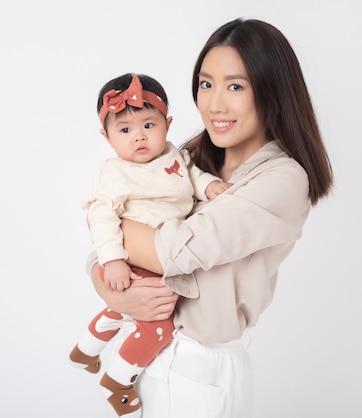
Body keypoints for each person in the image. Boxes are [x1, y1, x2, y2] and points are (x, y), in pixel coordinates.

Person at [87, 18, 333, 418]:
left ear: (273, 91)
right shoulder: (183, 159)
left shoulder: (282, 180)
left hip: (202, 369)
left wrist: (112, 231)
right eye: (206, 84)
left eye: (235, 86)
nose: (214, 104)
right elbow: (101, 238)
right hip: (145, 352)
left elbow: (173, 253)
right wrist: (109, 285)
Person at [69, 72, 230, 417]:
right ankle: (119, 381)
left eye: (148, 125)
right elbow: (101, 217)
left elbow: (192, 176)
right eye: (125, 130)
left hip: (164, 252)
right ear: (107, 137)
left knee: (125, 308)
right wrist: (111, 260)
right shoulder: (113, 172)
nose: (139, 137)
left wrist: (210, 188)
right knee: (158, 322)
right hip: (130, 258)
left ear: (167, 124)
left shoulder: (174, 155)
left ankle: (85, 350)